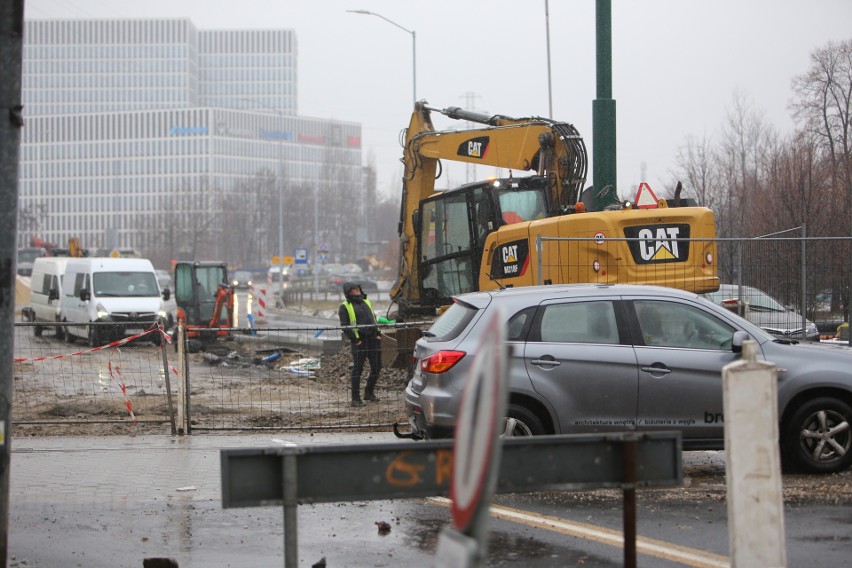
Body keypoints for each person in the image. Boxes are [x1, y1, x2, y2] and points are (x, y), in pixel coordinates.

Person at [338, 282, 381, 407]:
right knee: (358, 370)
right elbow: (345, 326)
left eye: (358, 289)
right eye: (354, 290)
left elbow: (373, 317)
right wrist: (355, 340)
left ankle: (369, 393)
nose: (357, 291)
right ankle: (355, 399)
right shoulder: (345, 306)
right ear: (348, 292)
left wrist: (378, 333)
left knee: (377, 367)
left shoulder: (366, 301)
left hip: (373, 339)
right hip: (359, 342)